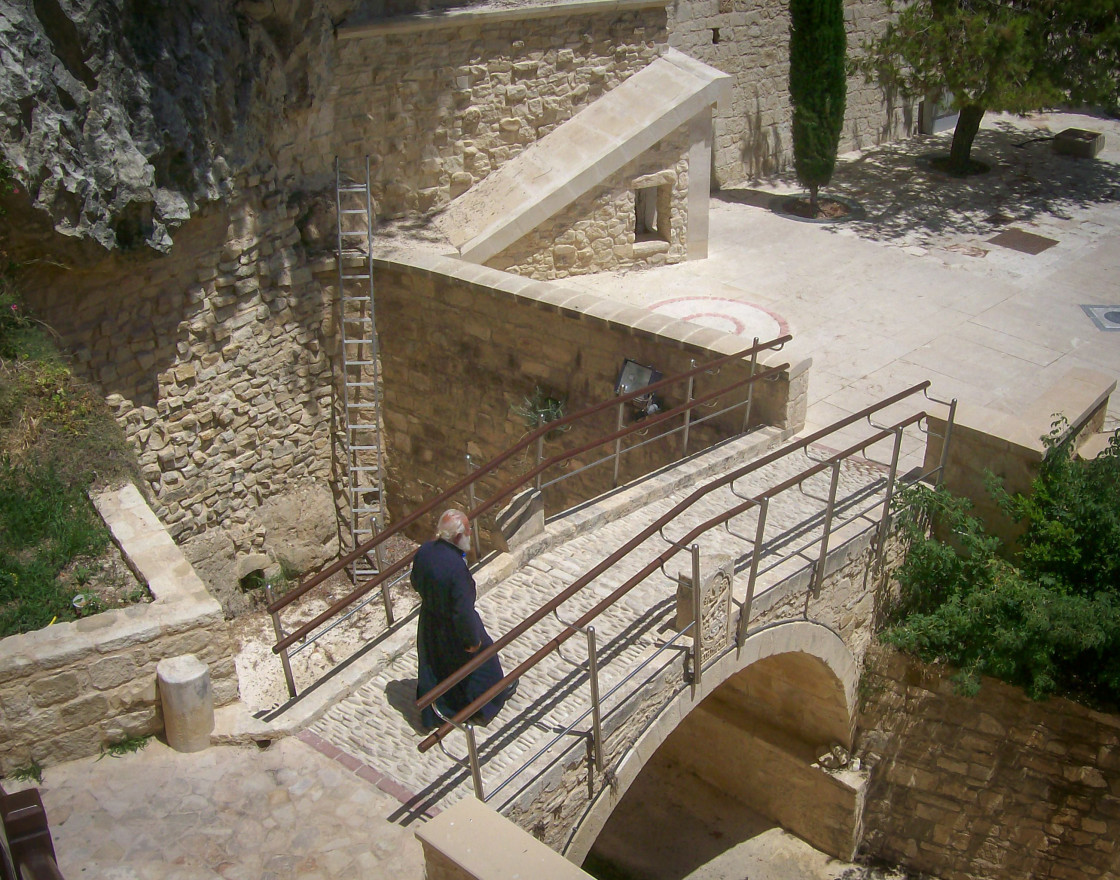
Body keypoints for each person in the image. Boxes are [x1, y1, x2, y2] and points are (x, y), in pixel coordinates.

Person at [413, 509, 513, 730]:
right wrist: (472, 640)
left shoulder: (425, 550)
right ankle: (482, 704)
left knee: (436, 666)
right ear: (458, 537)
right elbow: (462, 610)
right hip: (453, 627)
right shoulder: (455, 567)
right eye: (468, 531)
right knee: (480, 662)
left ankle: (438, 709)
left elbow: (415, 581)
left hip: (430, 621)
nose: (470, 534)